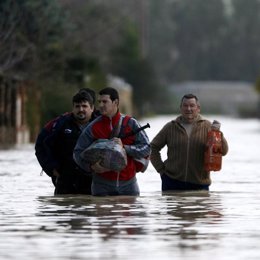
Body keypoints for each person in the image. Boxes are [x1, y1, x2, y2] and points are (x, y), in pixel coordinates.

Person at [73, 87, 151, 196]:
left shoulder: (131, 123)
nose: (100, 105)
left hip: (129, 185)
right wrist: (91, 167)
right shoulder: (92, 127)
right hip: (101, 186)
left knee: (133, 213)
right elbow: (77, 153)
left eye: (105, 101)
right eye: (99, 102)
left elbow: (147, 148)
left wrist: (125, 148)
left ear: (116, 102)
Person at [150, 93, 229, 191]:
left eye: (192, 105)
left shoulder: (208, 127)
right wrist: (161, 170)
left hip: (200, 184)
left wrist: (218, 133)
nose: (188, 109)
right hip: (171, 182)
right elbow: (152, 148)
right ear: (180, 108)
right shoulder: (170, 127)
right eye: (185, 105)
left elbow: (224, 152)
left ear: (198, 108)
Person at [35, 90, 96, 195]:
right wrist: (51, 168)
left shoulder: (101, 124)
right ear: (73, 108)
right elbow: (40, 145)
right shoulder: (59, 123)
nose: (81, 109)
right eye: (77, 106)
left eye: (84, 106)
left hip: (93, 183)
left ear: (92, 108)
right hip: (65, 183)